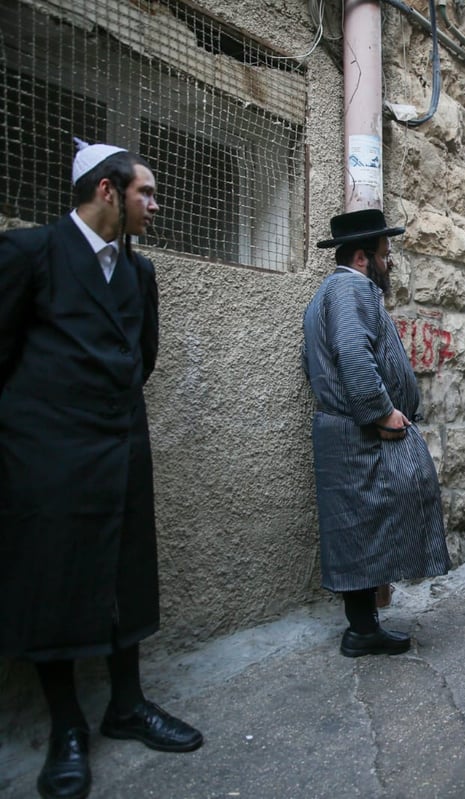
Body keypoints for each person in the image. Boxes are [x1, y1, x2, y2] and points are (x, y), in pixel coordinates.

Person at [0, 141, 203, 799]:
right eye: (145, 191)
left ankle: (127, 704)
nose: (156, 203)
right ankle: (66, 730)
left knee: (126, 577)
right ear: (108, 191)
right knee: (52, 582)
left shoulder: (139, 273)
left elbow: (142, 358)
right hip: (48, 457)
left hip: (121, 448)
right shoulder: (32, 253)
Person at [302, 209, 451, 659]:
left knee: (360, 530)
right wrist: (382, 412)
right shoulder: (350, 288)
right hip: (359, 432)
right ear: (364, 258)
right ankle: (362, 630)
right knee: (374, 518)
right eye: (386, 255)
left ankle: (364, 627)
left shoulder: (331, 293)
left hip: (348, 431)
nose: (391, 264)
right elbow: (351, 351)